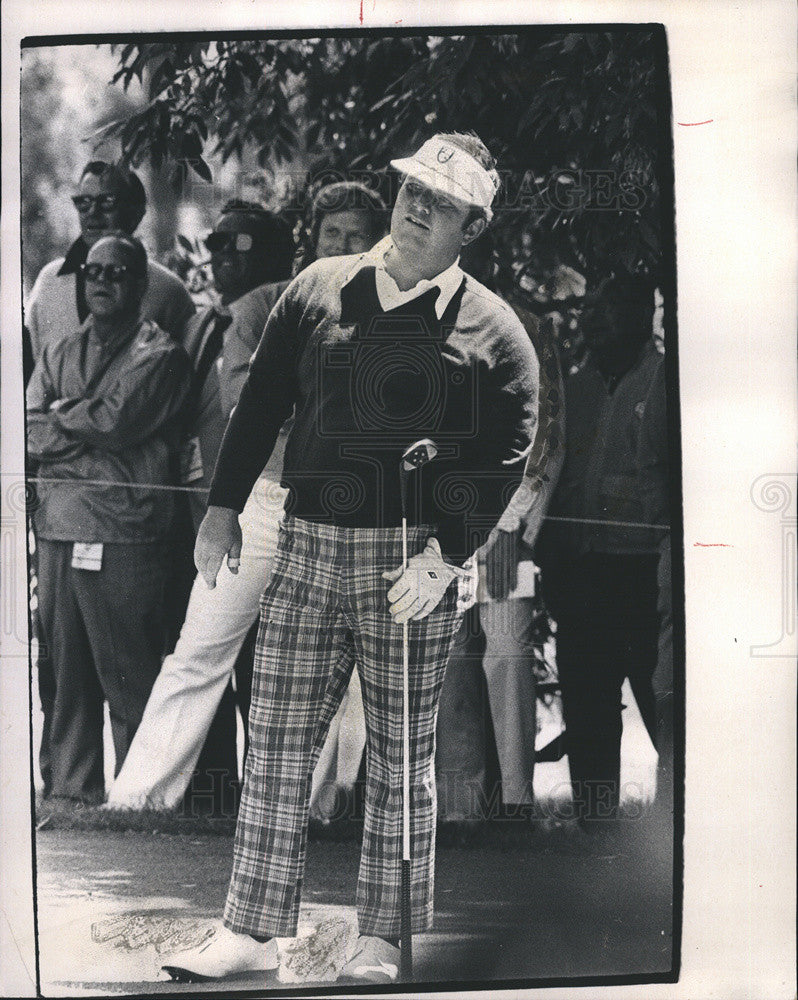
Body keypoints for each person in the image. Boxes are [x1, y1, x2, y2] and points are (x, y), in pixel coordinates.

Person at [161, 132, 539, 985]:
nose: (415, 206)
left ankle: (383, 939)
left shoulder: (495, 330)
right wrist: (220, 511)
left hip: (413, 566)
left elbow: (508, 453)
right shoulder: (318, 288)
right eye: (410, 188)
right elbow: (259, 403)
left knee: (403, 758)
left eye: (439, 202)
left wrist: (447, 557)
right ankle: (251, 935)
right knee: (279, 746)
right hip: (306, 545)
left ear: (470, 226)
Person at [105, 189, 385, 815]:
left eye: (357, 235)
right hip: (258, 502)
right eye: (332, 234)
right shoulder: (265, 304)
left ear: (380, 241)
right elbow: (244, 405)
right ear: (313, 240)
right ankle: (137, 802)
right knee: (198, 651)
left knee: (335, 667)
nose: (343, 246)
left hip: (346, 509)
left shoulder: (397, 309)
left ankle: (318, 810)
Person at [24, 160, 195, 800]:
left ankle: (139, 791)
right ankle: (70, 790)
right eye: (91, 272)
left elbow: (125, 419)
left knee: (127, 666)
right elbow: (31, 426)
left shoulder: (161, 336)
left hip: (128, 525)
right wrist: (79, 423)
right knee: (63, 666)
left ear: (140, 279)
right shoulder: (57, 330)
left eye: (115, 273)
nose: (99, 282)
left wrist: (70, 421)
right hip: (61, 521)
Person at [537, 272, 668, 830]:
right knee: (588, 700)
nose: (594, 318)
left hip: (644, 570)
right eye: (590, 307)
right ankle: (595, 823)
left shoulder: (665, 381)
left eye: (611, 308)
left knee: (660, 696)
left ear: (643, 318)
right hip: (584, 571)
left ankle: (676, 825)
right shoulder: (574, 387)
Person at [25, 160, 194, 360]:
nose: (93, 213)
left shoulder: (168, 291)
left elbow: (187, 377)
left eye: (107, 202)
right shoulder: (50, 281)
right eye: (84, 203)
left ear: (136, 215)